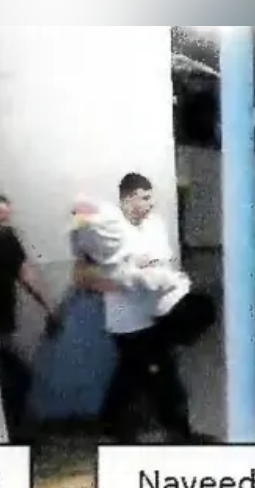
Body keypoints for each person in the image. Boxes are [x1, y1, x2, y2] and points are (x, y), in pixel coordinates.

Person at [70, 173, 216, 443]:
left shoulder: (154, 225)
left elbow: (159, 263)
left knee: (140, 375)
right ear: (128, 198)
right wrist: (121, 273)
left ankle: (113, 427)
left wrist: (146, 270)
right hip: (127, 322)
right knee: (154, 377)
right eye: (145, 197)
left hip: (152, 315)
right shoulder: (108, 232)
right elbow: (87, 265)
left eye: (151, 197)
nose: (150, 203)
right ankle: (167, 432)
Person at [0, 192, 60, 439]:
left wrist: (48, 306)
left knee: (16, 382)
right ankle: (11, 438)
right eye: (0, 219)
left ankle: (15, 436)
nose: (5, 225)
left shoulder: (6, 239)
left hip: (3, 325)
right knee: (5, 384)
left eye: (7, 219)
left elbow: (25, 274)